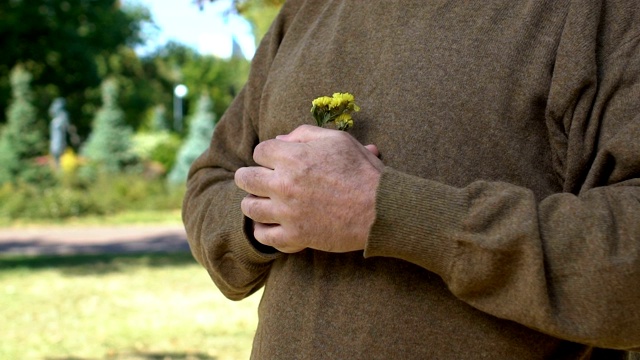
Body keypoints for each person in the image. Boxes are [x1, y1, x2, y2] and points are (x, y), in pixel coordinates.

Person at [183, 1, 640, 358]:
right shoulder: (305, 11)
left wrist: (395, 212)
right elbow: (210, 180)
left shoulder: (598, 12)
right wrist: (270, 214)